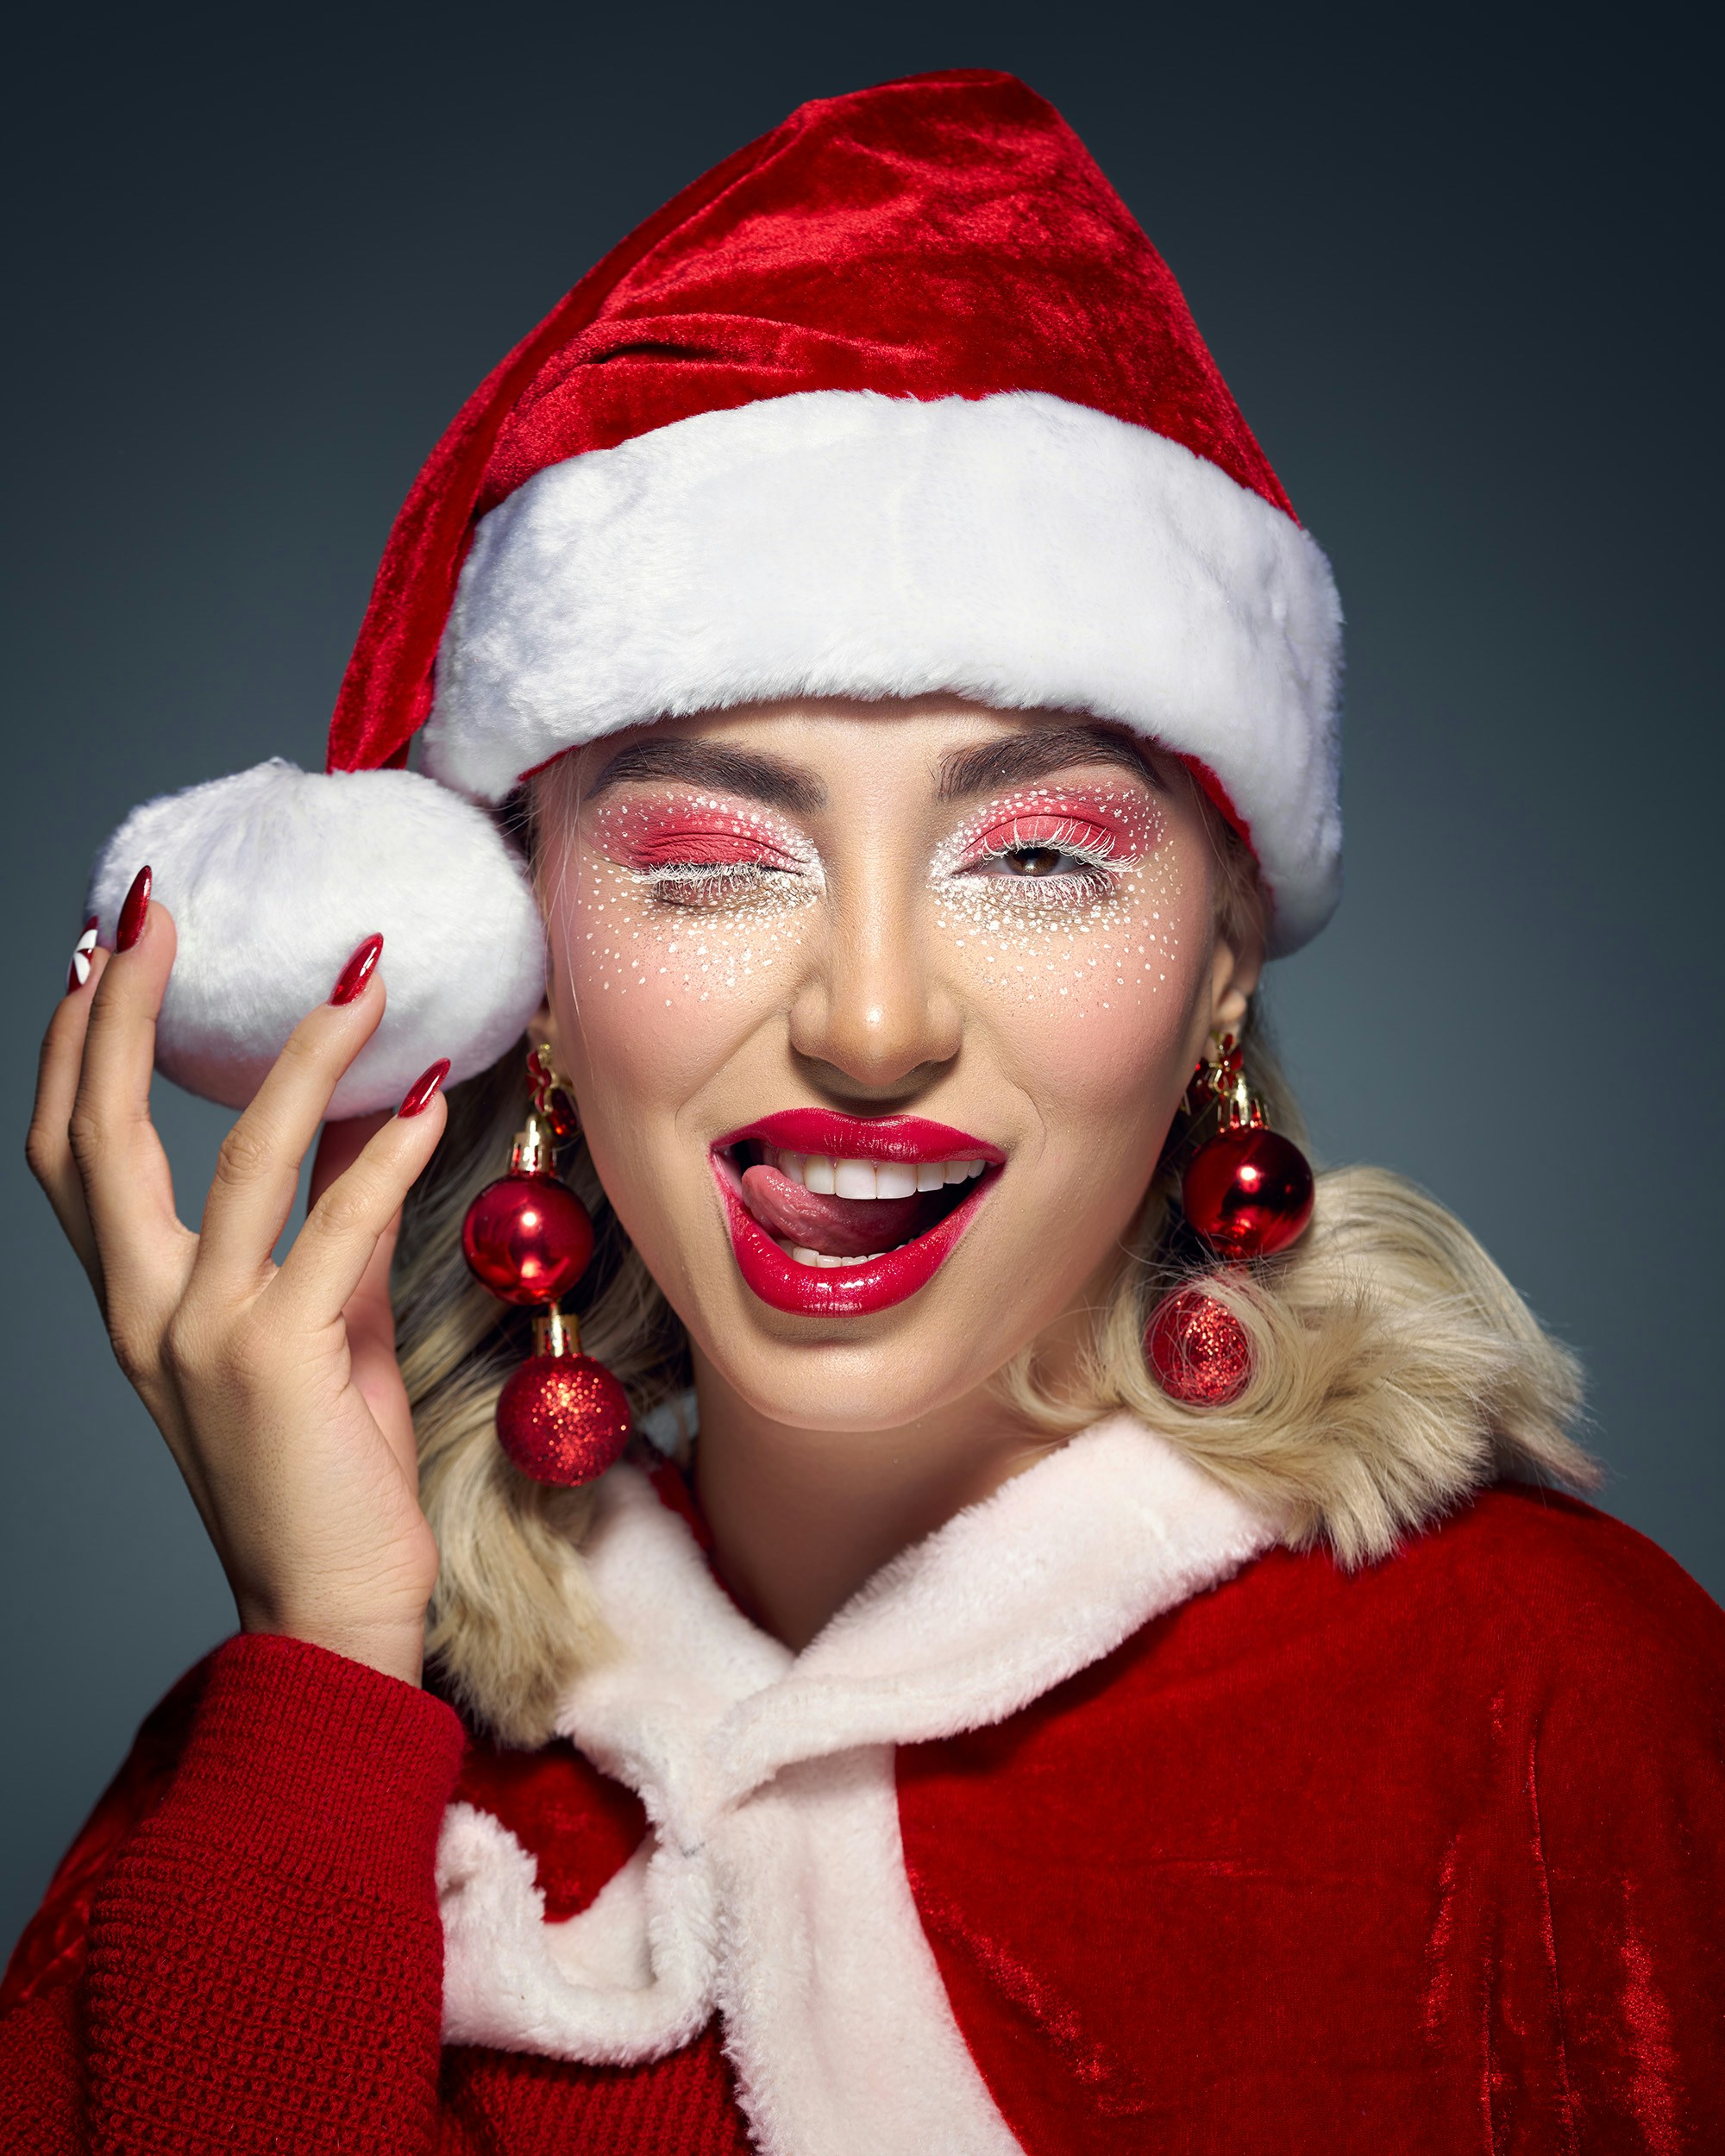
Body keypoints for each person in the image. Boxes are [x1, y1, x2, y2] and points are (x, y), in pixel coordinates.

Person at [4, 67, 1722, 2156]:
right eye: (720, 858)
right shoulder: (289, 1773)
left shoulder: (1561, 1710)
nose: (879, 1018)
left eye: (1038, 856)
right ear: (521, 964)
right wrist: (325, 1685)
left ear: (1217, 969)